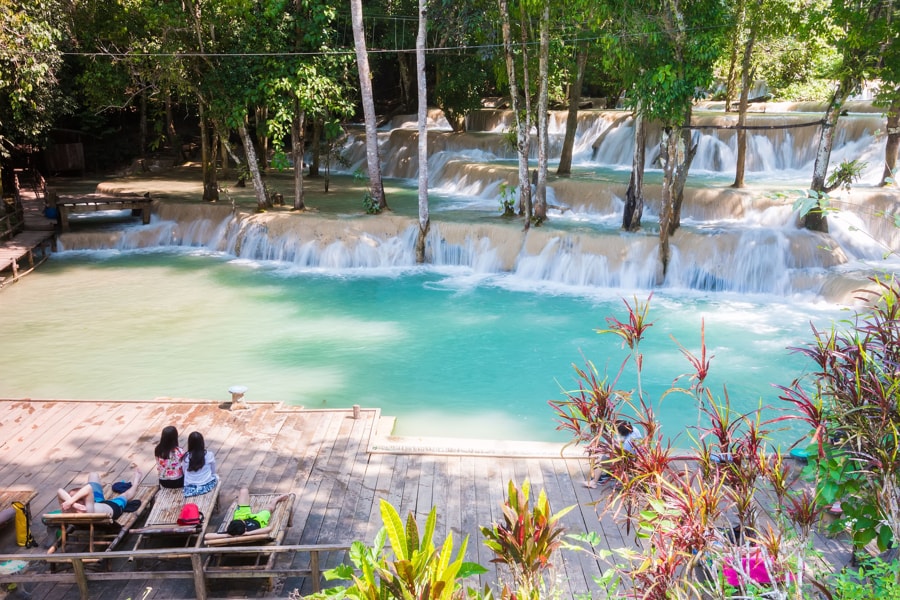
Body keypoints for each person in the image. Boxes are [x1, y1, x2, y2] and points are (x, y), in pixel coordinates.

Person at [56, 467, 143, 520]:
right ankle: (136, 481)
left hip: (97, 502)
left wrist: (71, 503)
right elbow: (88, 488)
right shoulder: (87, 509)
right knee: (126, 495)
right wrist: (73, 502)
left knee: (93, 475)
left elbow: (60, 491)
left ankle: (101, 487)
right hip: (111, 507)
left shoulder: (67, 509)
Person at [205, 488, 291, 540]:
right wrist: (248, 534)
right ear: (246, 529)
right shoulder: (252, 531)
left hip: (239, 522)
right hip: (258, 520)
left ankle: (244, 505)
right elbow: (269, 528)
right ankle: (275, 500)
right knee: (269, 509)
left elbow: (207, 536)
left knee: (244, 491)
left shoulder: (231, 532)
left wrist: (229, 535)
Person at [584, 420, 643, 489]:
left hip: (630, 460)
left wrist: (609, 452)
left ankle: (594, 482)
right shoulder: (634, 429)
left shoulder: (628, 443)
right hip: (637, 456)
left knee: (604, 459)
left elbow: (624, 457)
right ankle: (609, 475)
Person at [182, 431, 218, 498]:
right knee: (216, 477)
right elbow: (213, 471)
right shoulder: (209, 455)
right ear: (202, 442)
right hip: (207, 486)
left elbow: (184, 472)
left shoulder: (186, 457)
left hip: (190, 488)